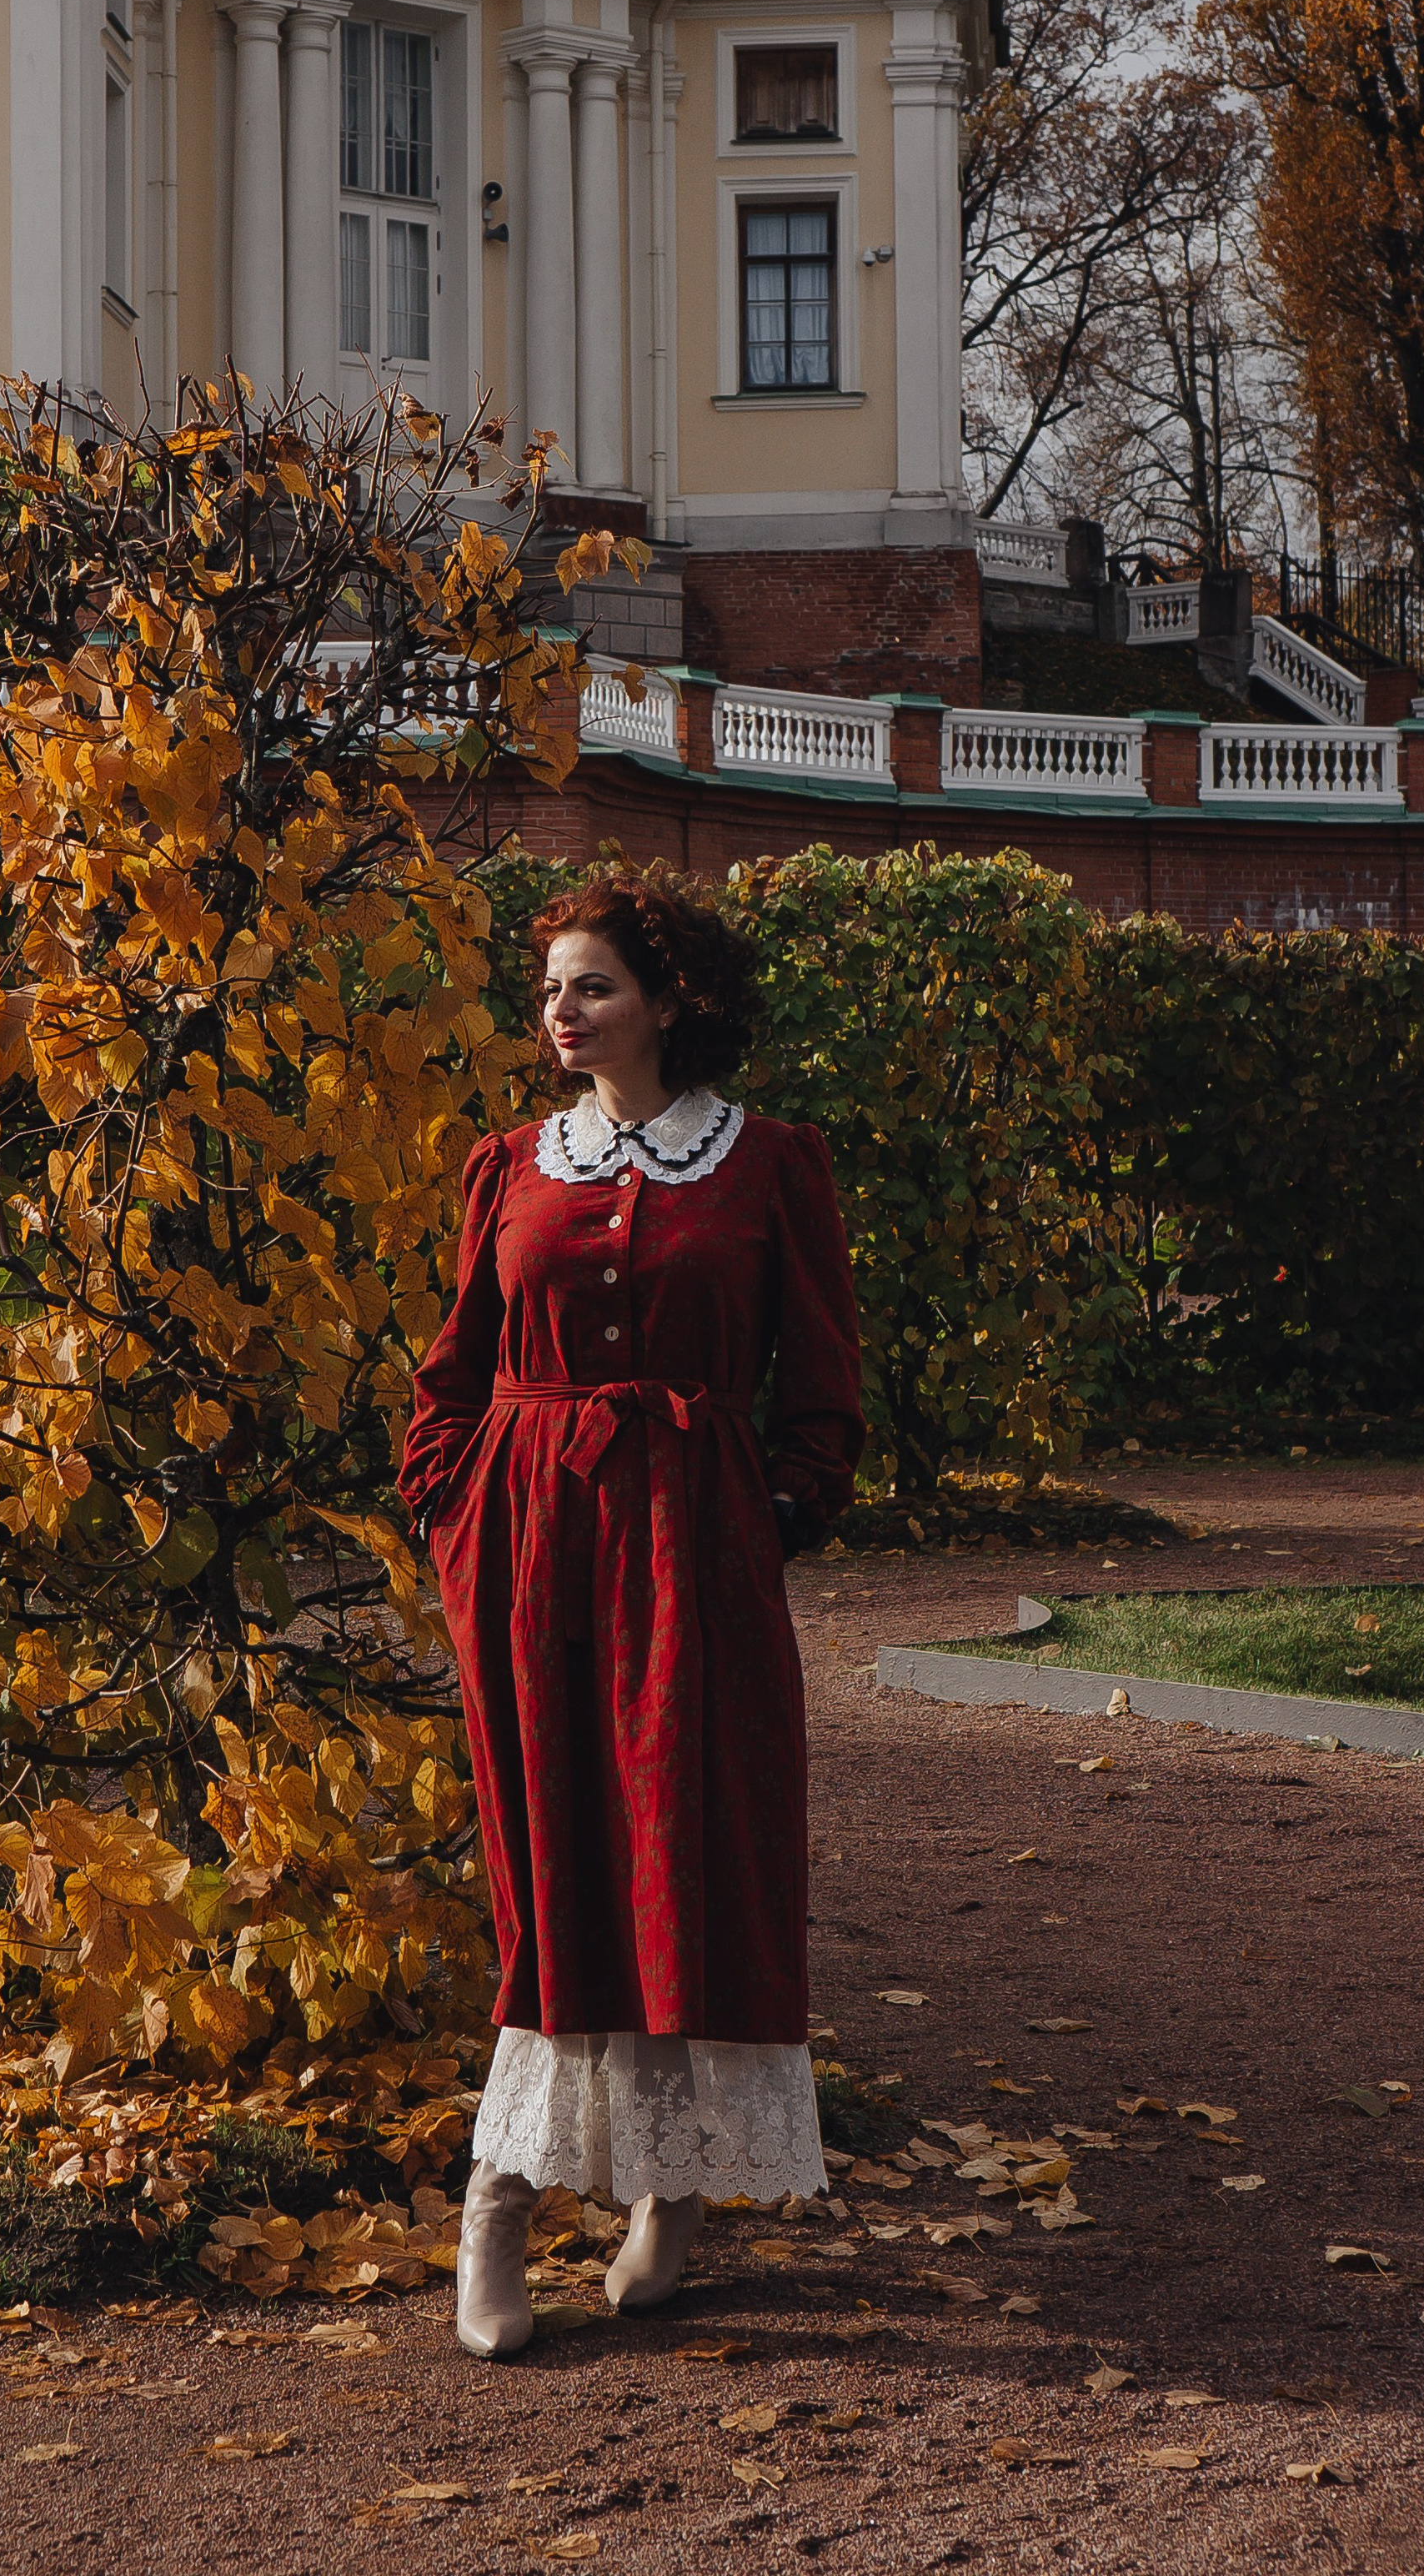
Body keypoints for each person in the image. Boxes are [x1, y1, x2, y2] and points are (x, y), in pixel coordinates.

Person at [399, 872, 865, 2360]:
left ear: (668, 1002)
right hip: (529, 1544)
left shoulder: (769, 1163)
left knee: (682, 1851)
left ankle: (669, 2187)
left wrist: (770, 1513)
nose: (560, 1010)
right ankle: (499, 2200)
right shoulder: (509, 1164)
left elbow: (825, 1384)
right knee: (552, 1862)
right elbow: (454, 1367)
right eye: (548, 987)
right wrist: (450, 1504)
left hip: (695, 1544)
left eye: (591, 984)